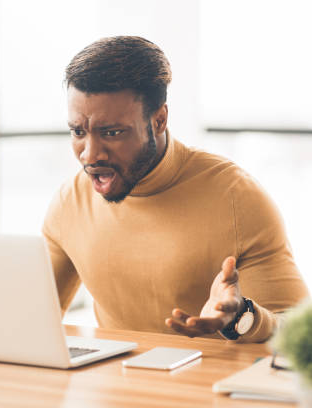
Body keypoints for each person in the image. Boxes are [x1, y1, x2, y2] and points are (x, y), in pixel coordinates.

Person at [42, 36, 309, 342]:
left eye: (112, 133)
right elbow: (31, 320)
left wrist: (241, 317)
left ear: (159, 120)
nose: (90, 154)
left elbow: (302, 336)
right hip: (116, 386)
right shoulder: (69, 202)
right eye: (78, 132)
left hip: (209, 388)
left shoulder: (237, 198)